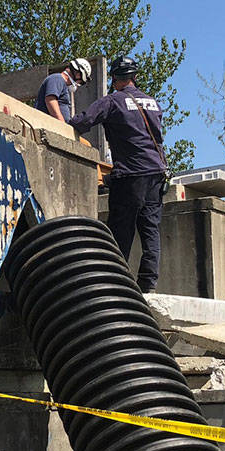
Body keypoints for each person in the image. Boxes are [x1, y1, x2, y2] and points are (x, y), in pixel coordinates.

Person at [68, 55, 170, 291]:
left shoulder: (112, 101)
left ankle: (117, 283)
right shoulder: (153, 104)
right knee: (150, 230)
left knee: (120, 232)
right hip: (156, 172)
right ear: (135, 78)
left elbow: (83, 121)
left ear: (114, 79)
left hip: (130, 175)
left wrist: (63, 122)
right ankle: (147, 284)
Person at [34, 58, 92, 122]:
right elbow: (51, 100)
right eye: (81, 82)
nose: (78, 84)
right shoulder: (57, 78)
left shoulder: (63, 85)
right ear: (78, 74)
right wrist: (62, 125)